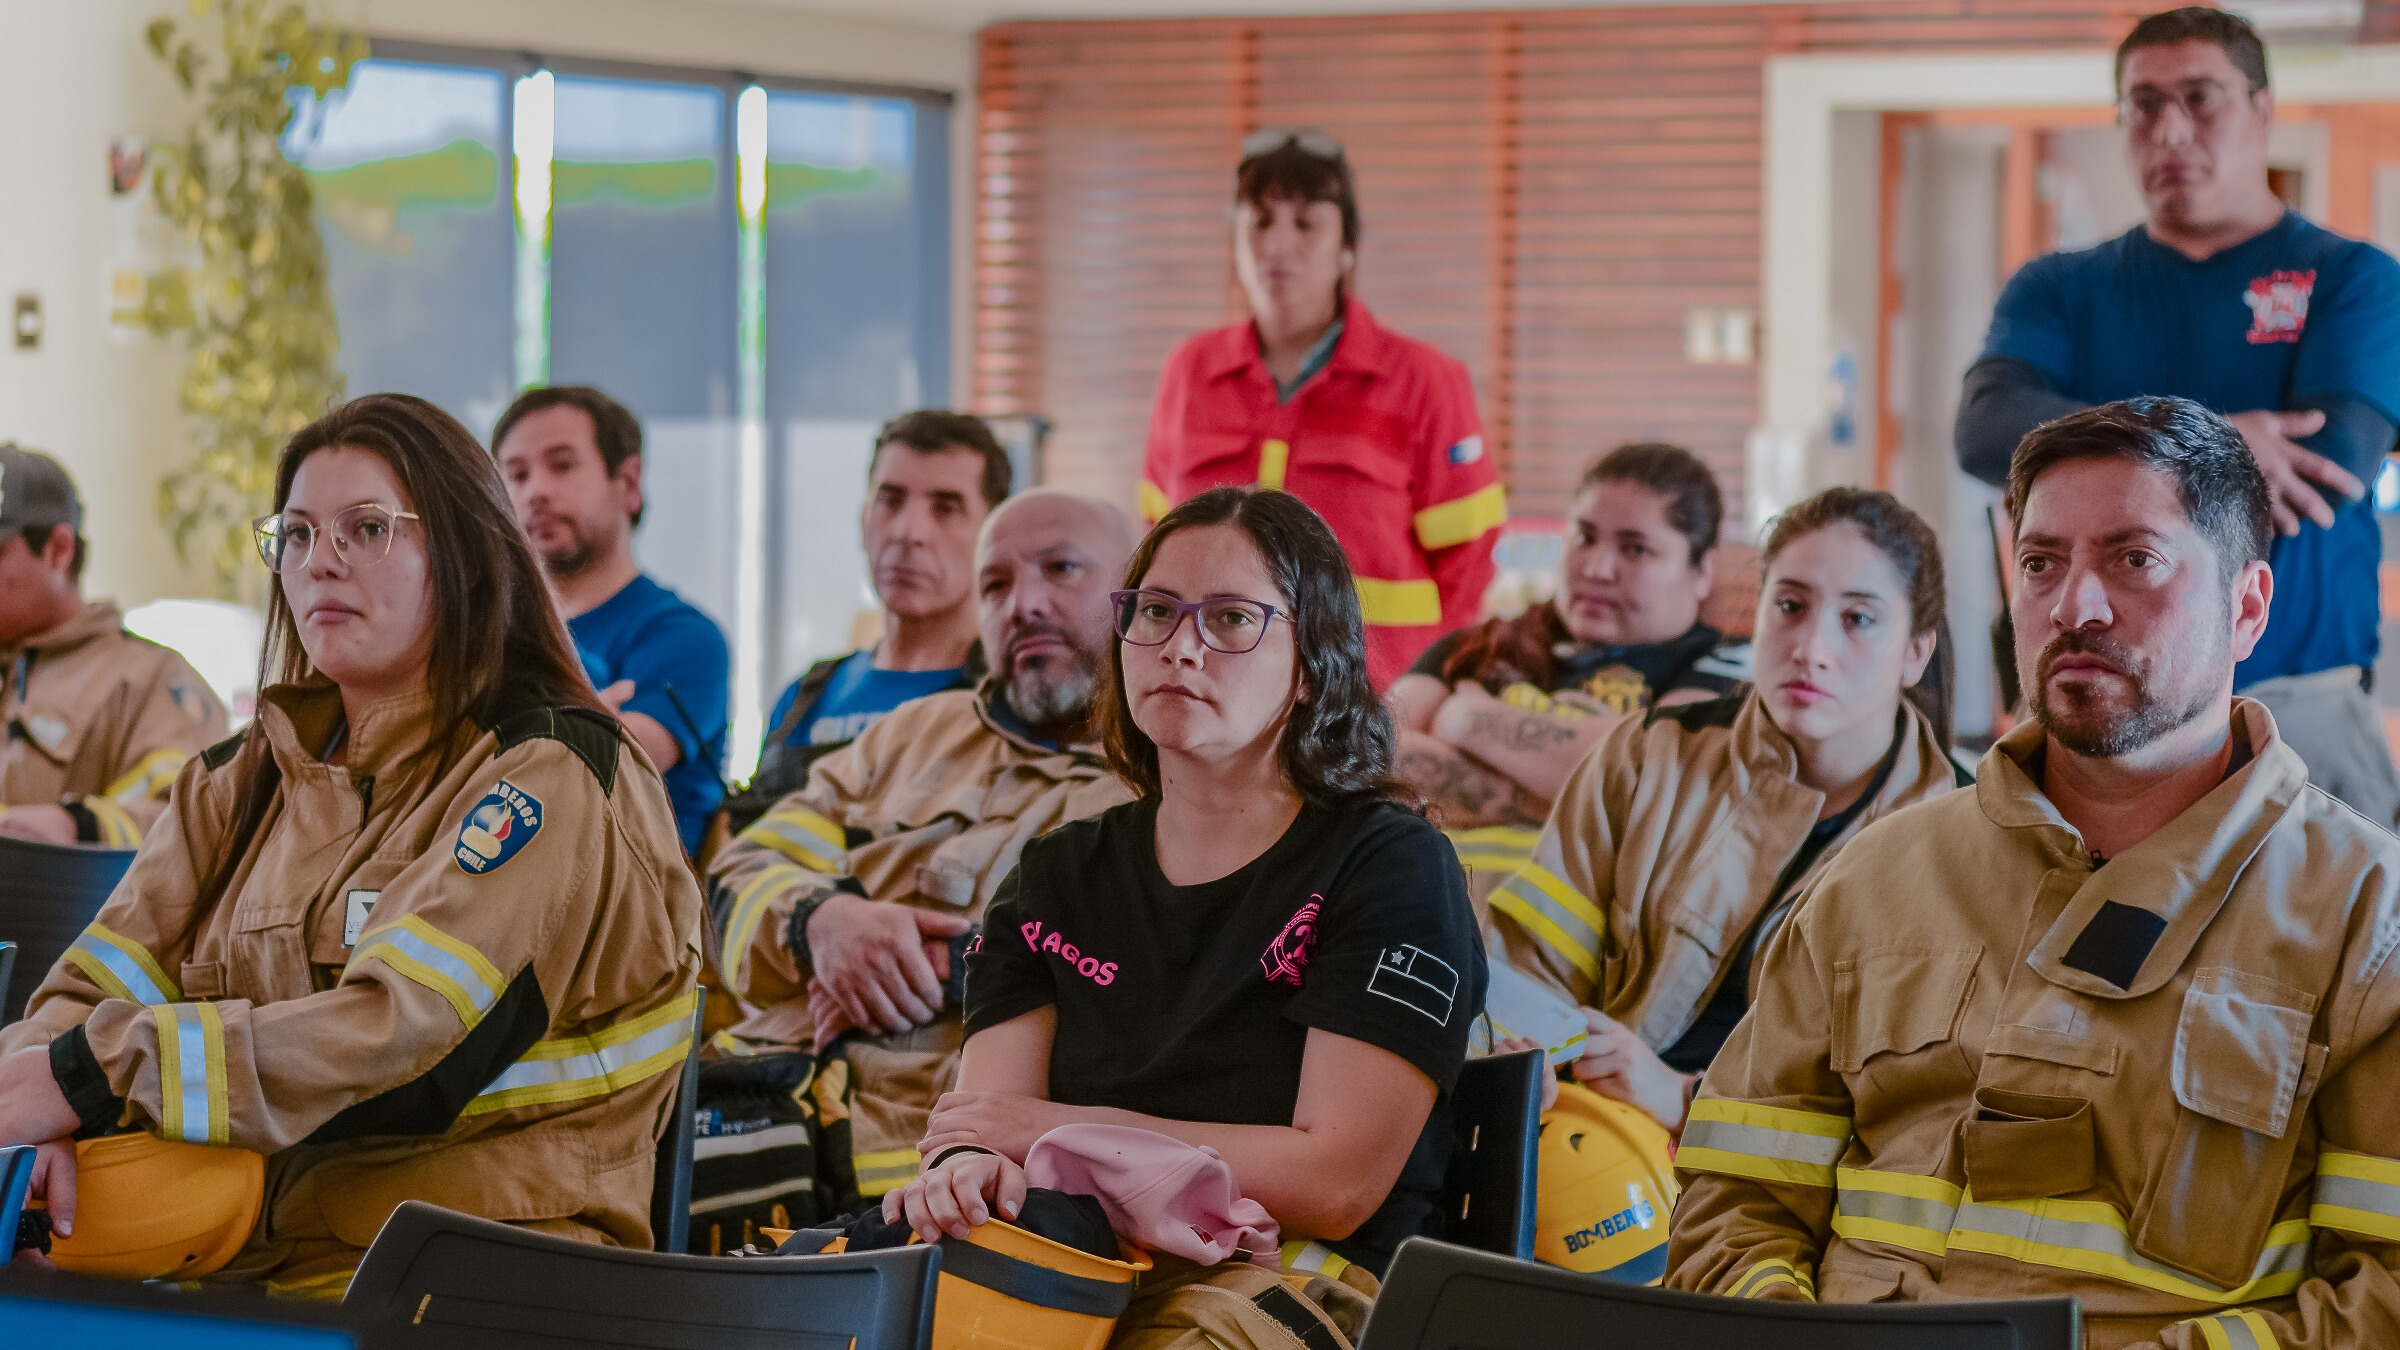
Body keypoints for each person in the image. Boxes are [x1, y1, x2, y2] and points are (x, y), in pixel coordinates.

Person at [1670, 398, 2400, 1348]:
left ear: (2248, 607)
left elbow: (2383, 1293)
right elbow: (1735, 1197)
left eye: (2133, 559)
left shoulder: (2366, 921)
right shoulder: (1875, 879)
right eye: (2041, 562)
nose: (2073, 606)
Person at [0, 395, 702, 1292]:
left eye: (366, 528)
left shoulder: (547, 774)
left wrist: (92, 1076)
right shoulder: (233, 783)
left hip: (478, 1279)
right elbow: (93, 986)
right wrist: (35, 1110)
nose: (320, 560)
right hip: (243, 1272)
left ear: (465, 554)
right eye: (294, 535)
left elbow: (406, 1045)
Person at [896, 485, 1486, 1296]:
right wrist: (962, 1171)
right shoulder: (1054, 874)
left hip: (1294, 1286)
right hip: (1074, 1275)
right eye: (1156, 611)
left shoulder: (1389, 865)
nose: (1180, 646)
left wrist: (1061, 1131)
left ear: (1313, 665)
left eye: (1232, 619)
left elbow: (1335, 1183)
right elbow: (988, 1128)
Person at [1955, 7, 2400, 824]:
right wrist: (2235, 437)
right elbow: (1986, 428)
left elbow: (2329, 466)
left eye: (2200, 97)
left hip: (2301, 709)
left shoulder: (2353, 281)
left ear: (2263, 110)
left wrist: (2083, 444)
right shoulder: (2060, 288)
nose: (2169, 130)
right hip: (2098, 707)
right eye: (2144, 104)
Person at [707, 489, 1140, 1212]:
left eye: (1060, 568)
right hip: (753, 1129)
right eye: (995, 585)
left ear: (1139, 594)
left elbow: (1166, 991)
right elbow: (736, 878)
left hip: (949, 1194)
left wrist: (954, 969)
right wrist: (818, 925)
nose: (1024, 604)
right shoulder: (910, 733)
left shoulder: (1178, 775)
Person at [1485, 487, 1963, 1136]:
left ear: (1916, 653)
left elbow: (1904, 1110)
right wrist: (1524, 1059)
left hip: (1782, 1198)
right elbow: (1529, 965)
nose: (1811, 647)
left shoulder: (1964, 838)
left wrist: (1687, 1101)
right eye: (1790, 606)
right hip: (1589, 1141)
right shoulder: (1650, 753)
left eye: (1858, 619)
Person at [1142, 129, 1505, 690]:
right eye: (1260, 223)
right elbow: (1158, 543)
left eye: (1306, 224)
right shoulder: (1188, 372)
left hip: (1374, 703)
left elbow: (1470, 564)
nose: (1277, 246)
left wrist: (1424, 687)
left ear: (1347, 246)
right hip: (1216, 691)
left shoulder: (1424, 380)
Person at [1387, 443, 1751, 836]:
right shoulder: (1475, 647)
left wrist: (1467, 719)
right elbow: (1364, 756)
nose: (1596, 569)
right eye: (1584, 537)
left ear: (1702, 571)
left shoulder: (1725, 663)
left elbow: (1649, 783)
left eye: (1636, 549)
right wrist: (1545, 796)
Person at [735, 411, 1010, 828]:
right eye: (891, 500)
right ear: (864, 519)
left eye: (946, 508)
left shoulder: (1014, 705)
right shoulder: (804, 697)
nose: (908, 531)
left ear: (994, 534)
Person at [494, 384, 730, 855]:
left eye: (562, 466)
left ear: (629, 483)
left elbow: (591, 775)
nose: (536, 491)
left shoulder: (686, 638)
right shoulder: (488, 633)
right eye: (516, 475)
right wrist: (572, 722)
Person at [0, 443, 227, 847]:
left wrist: (81, 827)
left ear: (59, 551)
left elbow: (201, 822)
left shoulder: (147, 679)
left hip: (63, 905)